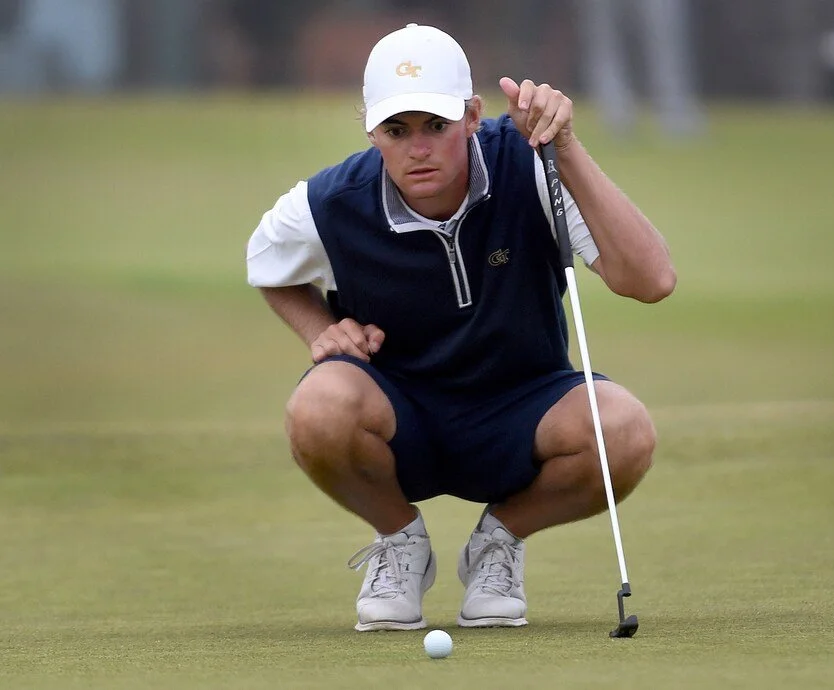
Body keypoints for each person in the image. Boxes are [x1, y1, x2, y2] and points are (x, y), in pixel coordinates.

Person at [246, 23, 676, 632]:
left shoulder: (530, 166)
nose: (417, 148)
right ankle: (399, 542)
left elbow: (650, 279)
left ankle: (499, 542)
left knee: (625, 432)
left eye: (436, 126)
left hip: (524, 409)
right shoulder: (331, 202)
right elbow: (265, 264)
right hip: (401, 420)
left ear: (473, 116)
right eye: (396, 130)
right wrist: (320, 329)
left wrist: (566, 148)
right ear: (371, 128)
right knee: (316, 406)